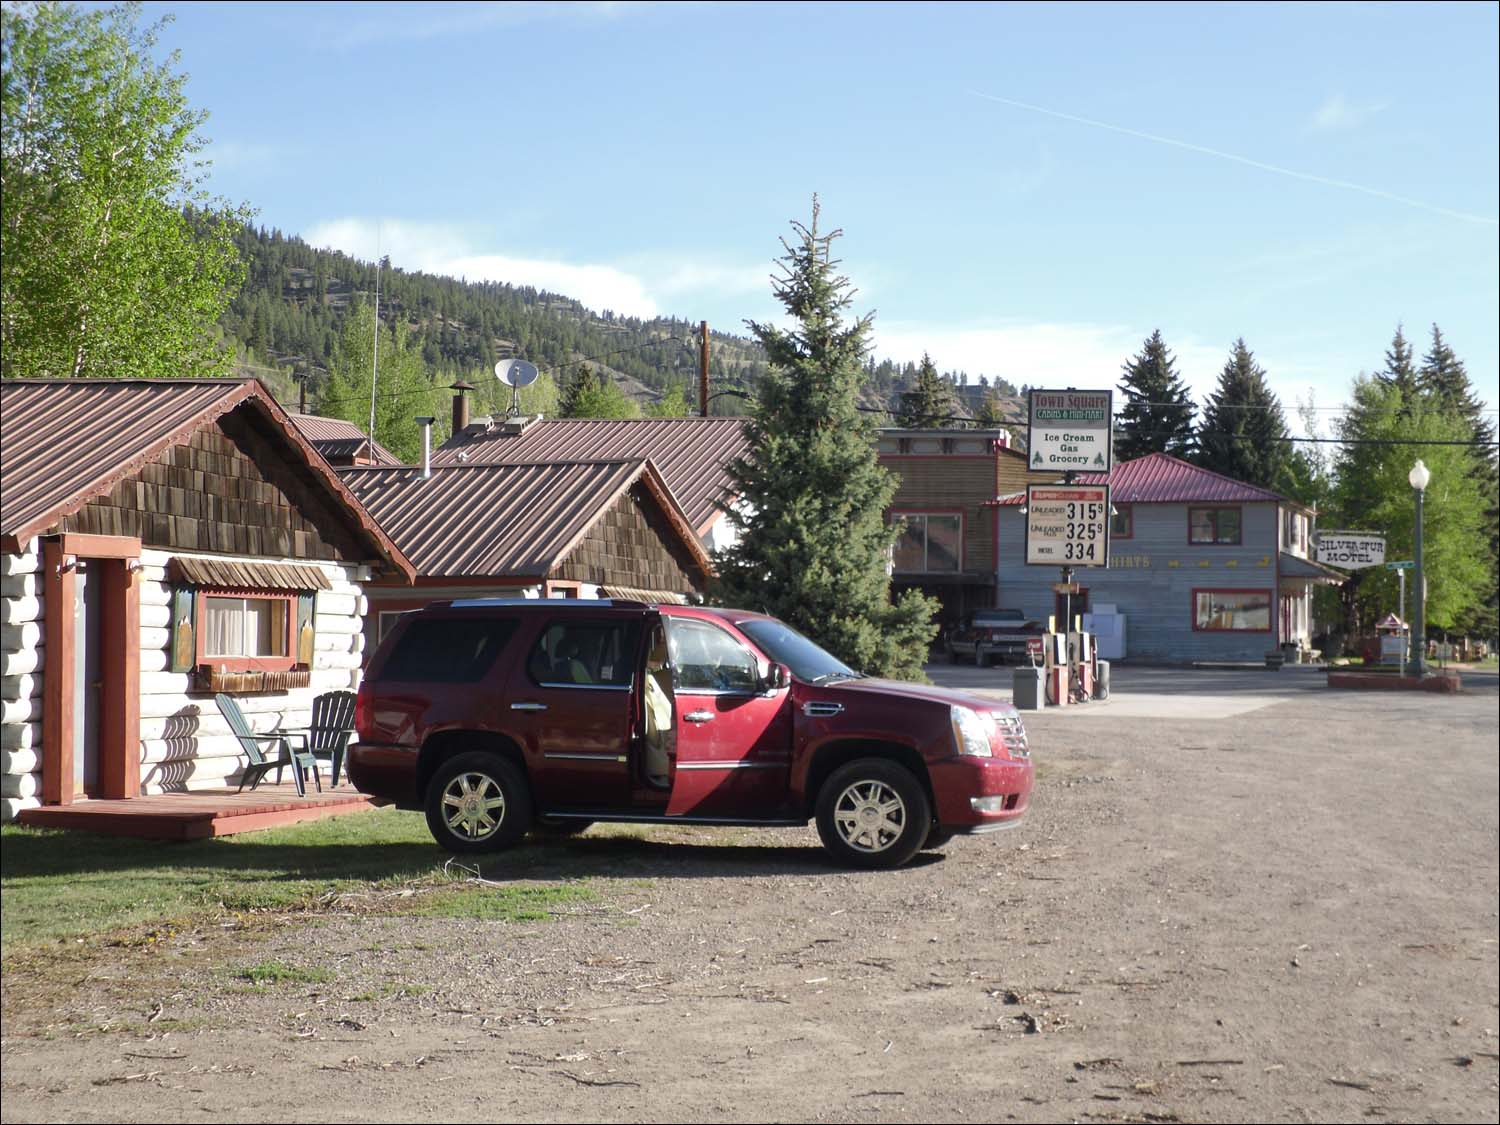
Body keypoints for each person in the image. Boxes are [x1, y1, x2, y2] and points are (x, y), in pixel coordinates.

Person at [642, 629, 674, 787]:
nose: (661, 636)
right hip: (656, 695)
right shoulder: (663, 648)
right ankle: (660, 769)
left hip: (662, 695)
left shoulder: (668, 648)